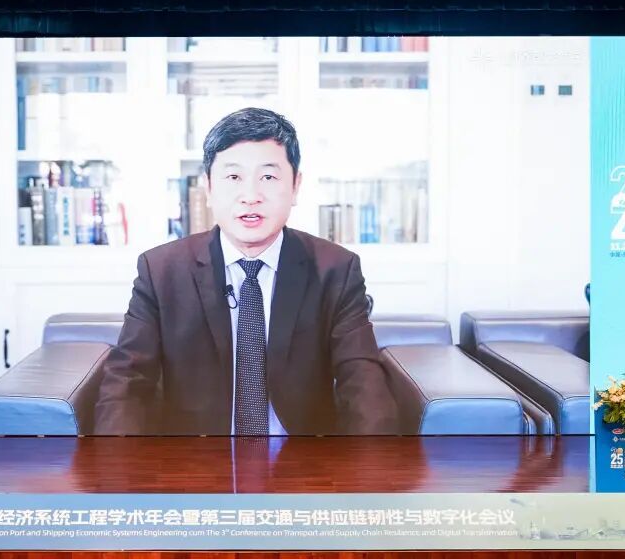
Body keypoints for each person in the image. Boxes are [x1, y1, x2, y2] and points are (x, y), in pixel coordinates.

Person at [94, 107, 398, 435]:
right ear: (209, 188)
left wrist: (373, 463)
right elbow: (127, 383)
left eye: (268, 177)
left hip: (301, 457)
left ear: (295, 186)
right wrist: (118, 462)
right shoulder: (161, 272)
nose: (251, 197)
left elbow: (363, 383)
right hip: (197, 456)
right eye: (234, 177)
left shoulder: (335, 270)